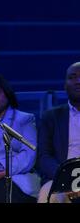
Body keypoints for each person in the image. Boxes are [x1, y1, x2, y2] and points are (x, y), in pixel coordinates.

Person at [0, 75, 40, 203]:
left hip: (15, 177)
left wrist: (5, 169)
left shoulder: (24, 119)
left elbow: (28, 155)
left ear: (7, 92)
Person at [37, 62, 80, 203]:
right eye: (73, 77)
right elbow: (44, 156)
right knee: (49, 195)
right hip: (61, 178)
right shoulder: (51, 117)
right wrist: (66, 177)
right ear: (65, 86)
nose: (78, 81)